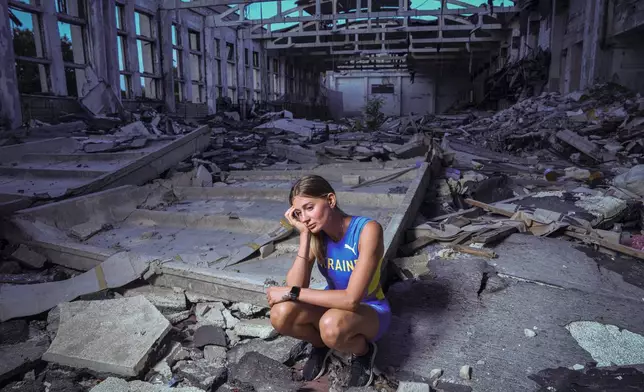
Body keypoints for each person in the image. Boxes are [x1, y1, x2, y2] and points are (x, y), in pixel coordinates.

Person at [267, 175, 391, 387]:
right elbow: (297, 283)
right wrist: (304, 236)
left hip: (369, 309)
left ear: (331, 200)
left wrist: (292, 293)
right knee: (280, 314)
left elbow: (352, 300)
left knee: (330, 324)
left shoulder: (367, 230)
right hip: (332, 308)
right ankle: (321, 345)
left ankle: (363, 351)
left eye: (309, 207)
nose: (304, 217)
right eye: (298, 213)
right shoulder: (318, 234)